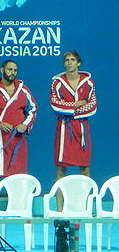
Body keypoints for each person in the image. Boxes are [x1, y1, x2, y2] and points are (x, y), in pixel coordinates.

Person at [0, 60, 37, 184]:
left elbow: (33, 109)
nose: (12, 73)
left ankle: (19, 203)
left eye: (15, 70)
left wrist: (25, 125)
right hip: (0, 138)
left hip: (18, 139)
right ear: (2, 70)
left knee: (19, 175)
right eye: (9, 69)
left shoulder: (23, 90)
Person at [50, 50, 97, 209]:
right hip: (64, 130)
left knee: (85, 169)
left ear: (79, 63)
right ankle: (59, 208)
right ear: (64, 63)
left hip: (82, 130)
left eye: (72, 60)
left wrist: (72, 110)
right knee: (61, 169)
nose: (69, 62)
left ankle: (85, 206)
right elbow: (55, 105)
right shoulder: (57, 82)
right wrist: (75, 105)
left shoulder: (88, 82)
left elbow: (92, 107)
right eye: (67, 60)